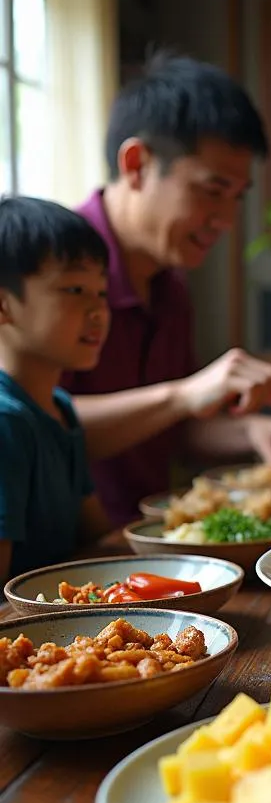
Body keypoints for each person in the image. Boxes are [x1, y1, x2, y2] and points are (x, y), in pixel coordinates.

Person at [63, 52, 271, 525]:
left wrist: (250, 432)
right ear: (136, 165)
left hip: (151, 542)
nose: (226, 220)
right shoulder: (51, 269)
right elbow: (31, 426)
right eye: (211, 190)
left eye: (236, 197)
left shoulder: (170, 284)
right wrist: (180, 395)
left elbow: (169, 430)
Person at [0, 197, 111, 581]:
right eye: (76, 290)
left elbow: (95, 536)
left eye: (102, 292)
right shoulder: (5, 421)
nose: (98, 311)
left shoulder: (59, 407)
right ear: (3, 305)